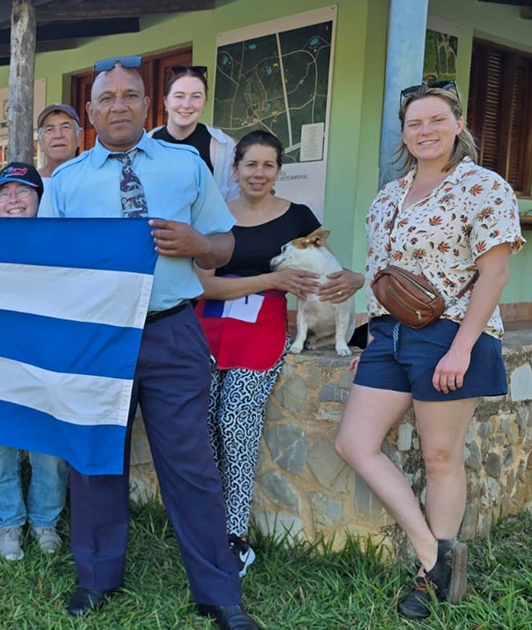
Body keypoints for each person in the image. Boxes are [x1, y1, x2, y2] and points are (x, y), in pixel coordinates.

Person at [40, 57, 259, 629]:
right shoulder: (66, 183)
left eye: (129, 96)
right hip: (97, 338)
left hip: (172, 330)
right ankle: (96, 576)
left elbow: (226, 244)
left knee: (191, 464)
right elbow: (46, 267)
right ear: (90, 111)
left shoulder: (186, 166)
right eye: (106, 97)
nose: (118, 105)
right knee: (96, 462)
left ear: (147, 104)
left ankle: (218, 592)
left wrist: (197, 243)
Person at [334, 82, 524, 620]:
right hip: (389, 333)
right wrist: (369, 337)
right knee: (355, 442)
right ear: (404, 133)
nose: (425, 131)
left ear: (458, 125)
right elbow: (379, 275)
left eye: (436, 120)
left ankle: (428, 581)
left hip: (449, 333)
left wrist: (462, 348)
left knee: (441, 457)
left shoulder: (482, 186)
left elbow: (496, 272)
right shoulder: (389, 194)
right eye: (414, 124)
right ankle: (434, 551)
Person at [195, 131, 363, 577]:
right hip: (210, 324)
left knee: (236, 419)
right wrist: (269, 281)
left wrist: (357, 280)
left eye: (268, 165)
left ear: (278, 172)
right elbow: (204, 283)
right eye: (250, 164)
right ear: (235, 169)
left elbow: (328, 267)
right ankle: (207, 525)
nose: (258, 173)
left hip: (263, 329)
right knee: (204, 420)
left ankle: (235, 535)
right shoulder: (214, 215)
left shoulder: (298, 218)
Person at [0, 162, 68, 560]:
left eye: (23, 192)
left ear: (38, 198)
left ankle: (44, 520)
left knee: (49, 445)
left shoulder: (57, 243)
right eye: (5, 193)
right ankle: (10, 522)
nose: (13, 200)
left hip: (46, 358)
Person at [149, 66, 238, 202]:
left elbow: (234, 202)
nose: (186, 104)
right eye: (179, 96)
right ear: (165, 102)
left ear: (205, 102)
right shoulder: (146, 144)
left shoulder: (224, 148)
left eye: (196, 97)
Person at [36, 104, 82, 180]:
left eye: (65, 127)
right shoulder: (30, 184)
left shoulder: (93, 180)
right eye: (49, 129)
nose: (58, 135)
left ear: (79, 137)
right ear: (40, 142)